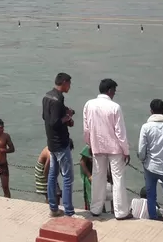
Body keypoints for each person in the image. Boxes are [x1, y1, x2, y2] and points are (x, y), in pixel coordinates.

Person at [82, 78, 131, 220]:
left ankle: (95, 209)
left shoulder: (89, 105)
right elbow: (120, 132)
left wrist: (90, 144)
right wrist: (126, 151)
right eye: (114, 91)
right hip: (115, 148)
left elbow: (86, 128)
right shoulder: (115, 107)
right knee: (118, 178)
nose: (114, 94)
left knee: (98, 177)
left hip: (97, 146)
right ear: (110, 91)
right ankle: (121, 212)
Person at [42, 72, 75, 217]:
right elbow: (55, 122)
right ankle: (68, 211)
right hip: (61, 143)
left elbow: (46, 116)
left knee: (52, 175)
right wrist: (67, 117)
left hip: (51, 143)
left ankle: (53, 208)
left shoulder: (47, 96)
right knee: (68, 177)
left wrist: (65, 113)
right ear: (64, 82)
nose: (70, 87)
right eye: (69, 83)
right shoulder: (58, 99)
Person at [80, 144, 94, 212]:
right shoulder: (88, 147)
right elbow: (82, 162)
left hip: (98, 174)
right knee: (90, 195)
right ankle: (90, 210)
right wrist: (89, 176)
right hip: (89, 175)